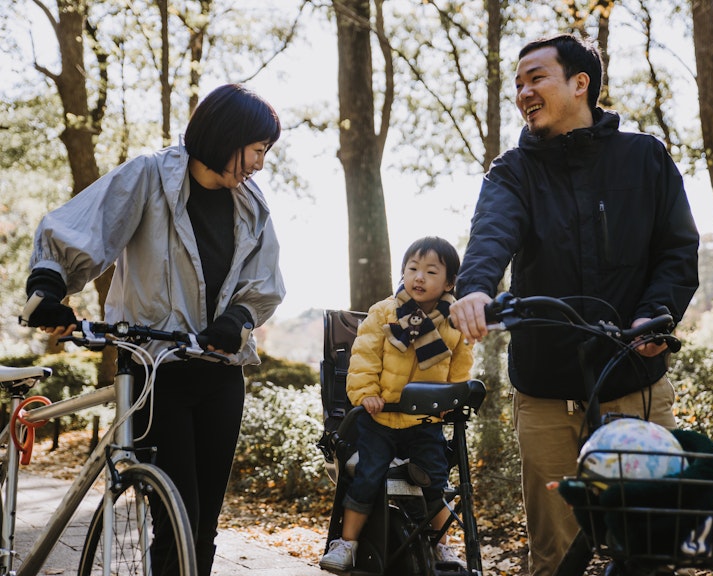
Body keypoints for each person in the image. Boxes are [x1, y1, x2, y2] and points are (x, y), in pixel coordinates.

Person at [448, 34, 699, 576]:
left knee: (647, 552)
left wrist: (654, 313)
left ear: (579, 83)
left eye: (536, 77)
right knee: (555, 557)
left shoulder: (645, 158)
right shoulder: (513, 171)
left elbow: (678, 251)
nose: (523, 92)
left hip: (634, 385)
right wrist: (475, 288)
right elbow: (492, 231)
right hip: (546, 393)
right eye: (517, 83)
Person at [23, 83, 285, 576]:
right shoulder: (149, 177)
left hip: (221, 373)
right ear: (228, 139)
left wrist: (237, 319)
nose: (260, 164)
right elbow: (81, 228)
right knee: (176, 514)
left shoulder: (252, 206)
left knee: (202, 526)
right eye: (257, 150)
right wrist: (49, 286)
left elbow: (263, 285)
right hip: (153, 369)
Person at [319, 236, 475, 572]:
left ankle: (440, 546)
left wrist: (451, 396)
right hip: (381, 419)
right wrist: (367, 395)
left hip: (424, 421)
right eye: (413, 268)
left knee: (437, 481)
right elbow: (363, 358)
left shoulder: (453, 322)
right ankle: (347, 542)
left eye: (431, 271)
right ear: (402, 273)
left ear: (448, 282)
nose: (419, 277)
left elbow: (461, 365)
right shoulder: (384, 312)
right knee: (367, 477)